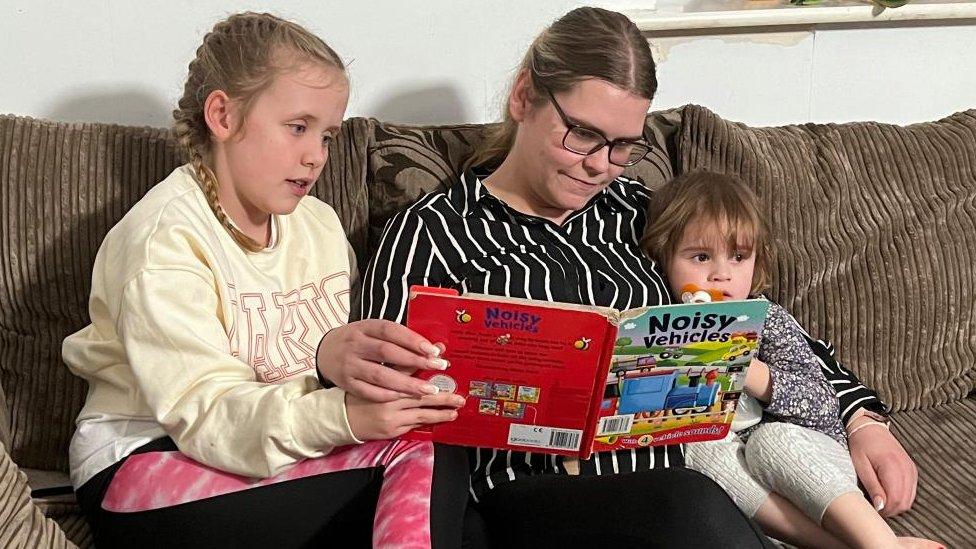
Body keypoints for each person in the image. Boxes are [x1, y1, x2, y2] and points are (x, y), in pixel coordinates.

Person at [342, 6, 919, 546]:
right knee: (685, 501)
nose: (599, 165)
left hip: (684, 471)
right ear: (524, 97)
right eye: (584, 135)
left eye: (622, 146)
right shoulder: (430, 231)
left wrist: (864, 421)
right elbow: (386, 401)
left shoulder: (643, 213)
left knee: (693, 494)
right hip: (529, 495)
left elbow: (759, 322)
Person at [62, 12, 468, 549]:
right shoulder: (163, 240)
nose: (315, 156)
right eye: (297, 127)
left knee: (437, 453)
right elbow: (207, 417)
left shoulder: (318, 226)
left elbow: (319, 374)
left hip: (273, 451)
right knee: (419, 458)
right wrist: (344, 414)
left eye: (327, 135)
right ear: (224, 116)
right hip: (146, 464)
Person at [643, 171, 942, 549]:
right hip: (752, 492)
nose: (722, 275)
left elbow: (821, 405)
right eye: (701, 257)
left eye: (739, 257)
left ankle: (879, 543)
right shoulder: (658, 330)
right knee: (696, 450)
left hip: (808, 460)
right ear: (663, 258)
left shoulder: (767, 319)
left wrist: (746, 371)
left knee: (770, 441)